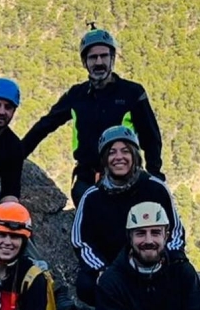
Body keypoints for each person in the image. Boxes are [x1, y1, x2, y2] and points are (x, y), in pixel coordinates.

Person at [20, 25, 164, 206]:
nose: (98, 62)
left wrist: (155, 176)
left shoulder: (132, 94)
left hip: (126, 177)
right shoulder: (76, 95)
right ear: (84, 62)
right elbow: (45, 125)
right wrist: (17, 155)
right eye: (92, 57)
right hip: (87, 179)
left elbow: (151, 137)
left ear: (113, 59)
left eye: (104, 56)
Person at [71, 125, 185, 305]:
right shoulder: (92, 196)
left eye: (125, 151)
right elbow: (82, 242)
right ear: (105, 159)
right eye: (112, 152)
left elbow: (176, 231)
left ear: (134, 155)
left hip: (151, 260)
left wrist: (166, 259)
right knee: (86, 286)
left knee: (181, 275)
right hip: (112, 267)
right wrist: (102, 270)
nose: (119, 157)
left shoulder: (155, 188)